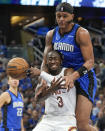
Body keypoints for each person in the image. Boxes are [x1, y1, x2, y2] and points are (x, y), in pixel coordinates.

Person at [39, 2, 97, 131]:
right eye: (58, 16)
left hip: (83, 78)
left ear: (72, 16)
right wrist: (43, 78)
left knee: (81, 125)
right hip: (63, 77)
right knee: (64, 122)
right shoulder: (51, 35)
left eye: (64, 16)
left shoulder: (81, 33)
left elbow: (90, 62)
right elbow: (45, 61)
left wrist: (73, 76)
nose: (61, 19)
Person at [32, 50, 77, 131]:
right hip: (48, 119)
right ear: (47, 62)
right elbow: (37, 100)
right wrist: (50, 90)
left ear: (60, 61)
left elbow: (63, 83)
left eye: (55, 59)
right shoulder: (43, 78)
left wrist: (41, 73)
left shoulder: (68, 71)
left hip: (67, 118)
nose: (53, 61)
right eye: (50, 59)